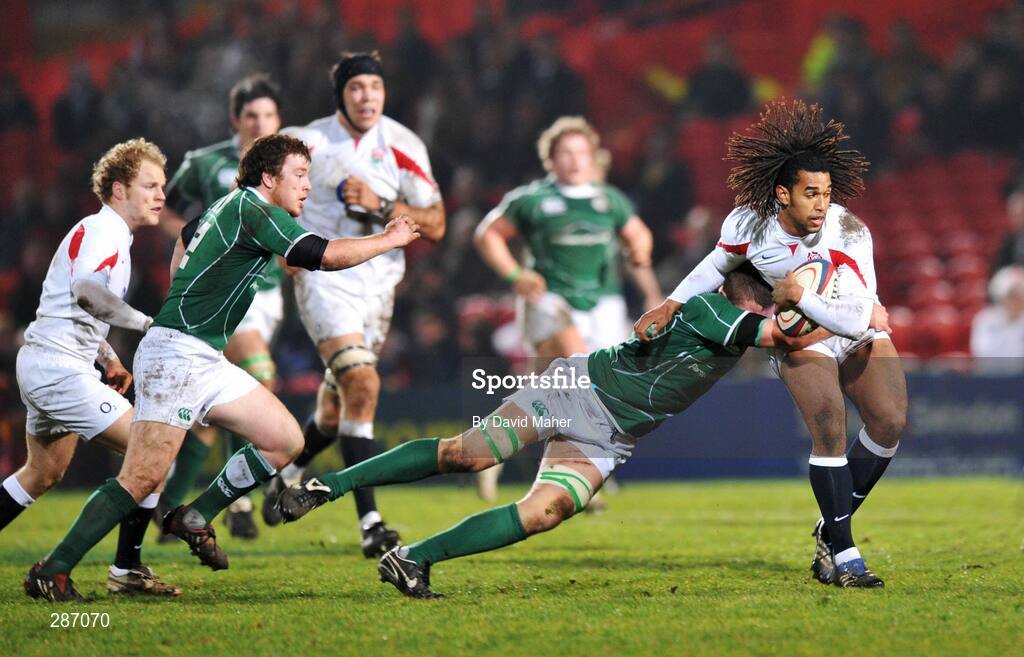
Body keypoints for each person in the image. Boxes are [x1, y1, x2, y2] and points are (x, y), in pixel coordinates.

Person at [276, 265, 879, 598]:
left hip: (609, 436)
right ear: (758, 286)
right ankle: (328, 486)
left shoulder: (725, 314)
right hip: (575, 390)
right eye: (777, 285)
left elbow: (787, 333)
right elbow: (787, 335)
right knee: (469, 454)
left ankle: (414, 560)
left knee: (543, 512)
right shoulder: (715, 308)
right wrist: (859, 317)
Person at [24, 134, 421, 602]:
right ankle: (55, 570)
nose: (307, 186)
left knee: (286, 441)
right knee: (142, 477)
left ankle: (197, 514)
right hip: (176, 355)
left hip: (204, 355)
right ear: (269, 178)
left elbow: (187, 234)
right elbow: (324, 256)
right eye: (299, 175)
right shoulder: (254, 209)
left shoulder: (232, 207)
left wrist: (185, 291)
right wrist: (390, 239)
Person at [635, 99, 900, 588]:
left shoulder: (849, 230)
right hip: (801, 341)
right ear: (783, 193)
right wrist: (671, 303)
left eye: (826, 193)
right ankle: (844, 551)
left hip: (848, 324)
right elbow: (717, 264)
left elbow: (864, 312)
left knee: (889, 421)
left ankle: (830, 522)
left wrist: (801, 298)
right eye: (810, 194)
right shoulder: (748, 224)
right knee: (828, 424)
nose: (822, 204)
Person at [262, 51, 446, 558]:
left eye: (374, 86)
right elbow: (260, 187)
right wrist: (282, 242)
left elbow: (436, 224)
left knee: (338, 405)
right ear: (340, 93)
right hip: (325, 279)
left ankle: (290, 472)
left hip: (379, 286)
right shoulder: (311, 141)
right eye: (356, 87)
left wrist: (383, 205)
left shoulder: (404, 145)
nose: (367, 96)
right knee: (363, 383)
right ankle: (371, 521)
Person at [8, 139, 181, 598]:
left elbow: (77, 305)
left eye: (162, 186)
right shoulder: (104, 232)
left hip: (50, 362)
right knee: (152, 453)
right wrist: (147, 323)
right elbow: (87, 292)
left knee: (41, 474)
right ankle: (114, 571)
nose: (160, 195)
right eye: (150, 185)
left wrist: (108, 357)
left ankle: (124, 570)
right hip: (60, 369)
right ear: (119, 189)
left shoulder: (107, 234)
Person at [473, 116, 662, 502]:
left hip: (602, 303)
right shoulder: (532, 200)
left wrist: (640, 248)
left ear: (592, 156)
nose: (575, 161)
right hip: (550, 298)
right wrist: (515, 275)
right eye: (565, 153)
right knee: (581, 372)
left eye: (581, 152)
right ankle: (580, 469)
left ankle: (490, 450)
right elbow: (487, 234)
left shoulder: (608, 200)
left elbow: (638, 232)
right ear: (550, 159)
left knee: (544, 390)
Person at [156, 74, 285, 540]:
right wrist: (194, 235)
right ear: (237, 120)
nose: (261, 123)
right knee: (259, 377)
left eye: (269, 115)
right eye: (252, 116)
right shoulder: (207, 163)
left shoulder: (286, 166)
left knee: (214, 412)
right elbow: (164, 208)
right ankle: (241, 500)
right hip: (225, 292)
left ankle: (170, 507)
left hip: (268, 294)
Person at [970, 265, 1024, 374]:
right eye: (1012, 296)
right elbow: (981, 352)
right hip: (992, 377)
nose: (1015, 301)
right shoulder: (985, 319)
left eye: (1019, 295)